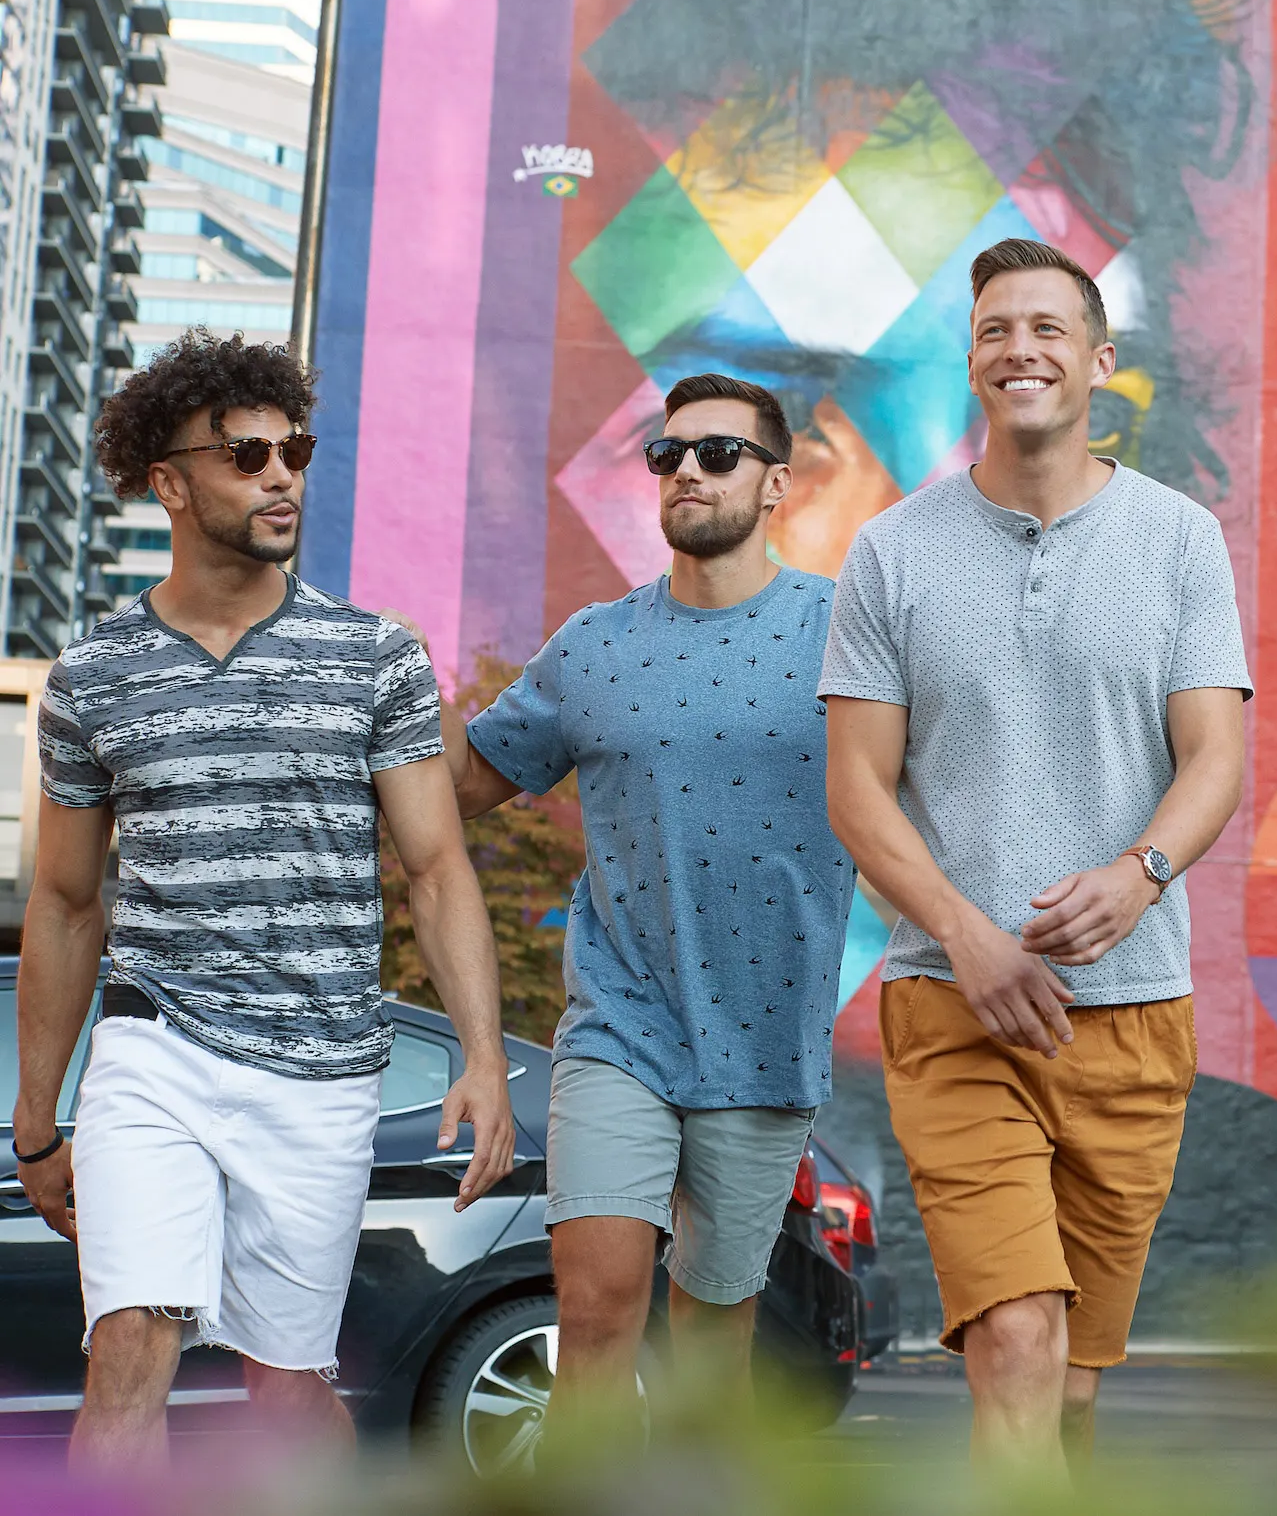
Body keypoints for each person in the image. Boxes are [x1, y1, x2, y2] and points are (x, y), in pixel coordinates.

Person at [10, 330, 515, 1472]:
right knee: (130, 1339)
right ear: (169, 481)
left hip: (322, 1068)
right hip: (156, 1049)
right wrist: (40, 1118)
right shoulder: (92, 676)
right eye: (247, 454)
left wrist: (482, 1056)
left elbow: (436, 868)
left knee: (284, 1387)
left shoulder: (375, 655)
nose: (280, 473)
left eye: (295, 448)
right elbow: (66, 902)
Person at [820, 237, 1250, 1467]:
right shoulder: (891, 551)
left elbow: (1212, 758)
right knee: (1014, 1337)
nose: (1021, 349)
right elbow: (857, 791)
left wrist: (1138, 873)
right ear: (971, 360)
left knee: (1066, 1384)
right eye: (996, 329)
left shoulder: (1179, 540)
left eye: (1048, 328)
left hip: (1133, 1015)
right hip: (951, 1006)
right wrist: (968, 937)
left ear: (1098, 361)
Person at [434, 373, 855, 1416]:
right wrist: (398, 680)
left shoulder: (846, 632)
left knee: (714, 1334)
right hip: (619, 1025)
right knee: (597, 1303)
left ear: (775, 486)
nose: (686, 471)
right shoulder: (594, 644)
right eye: (668, 454)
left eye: (718, 453)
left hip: (767, 1035)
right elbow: (470, 782)